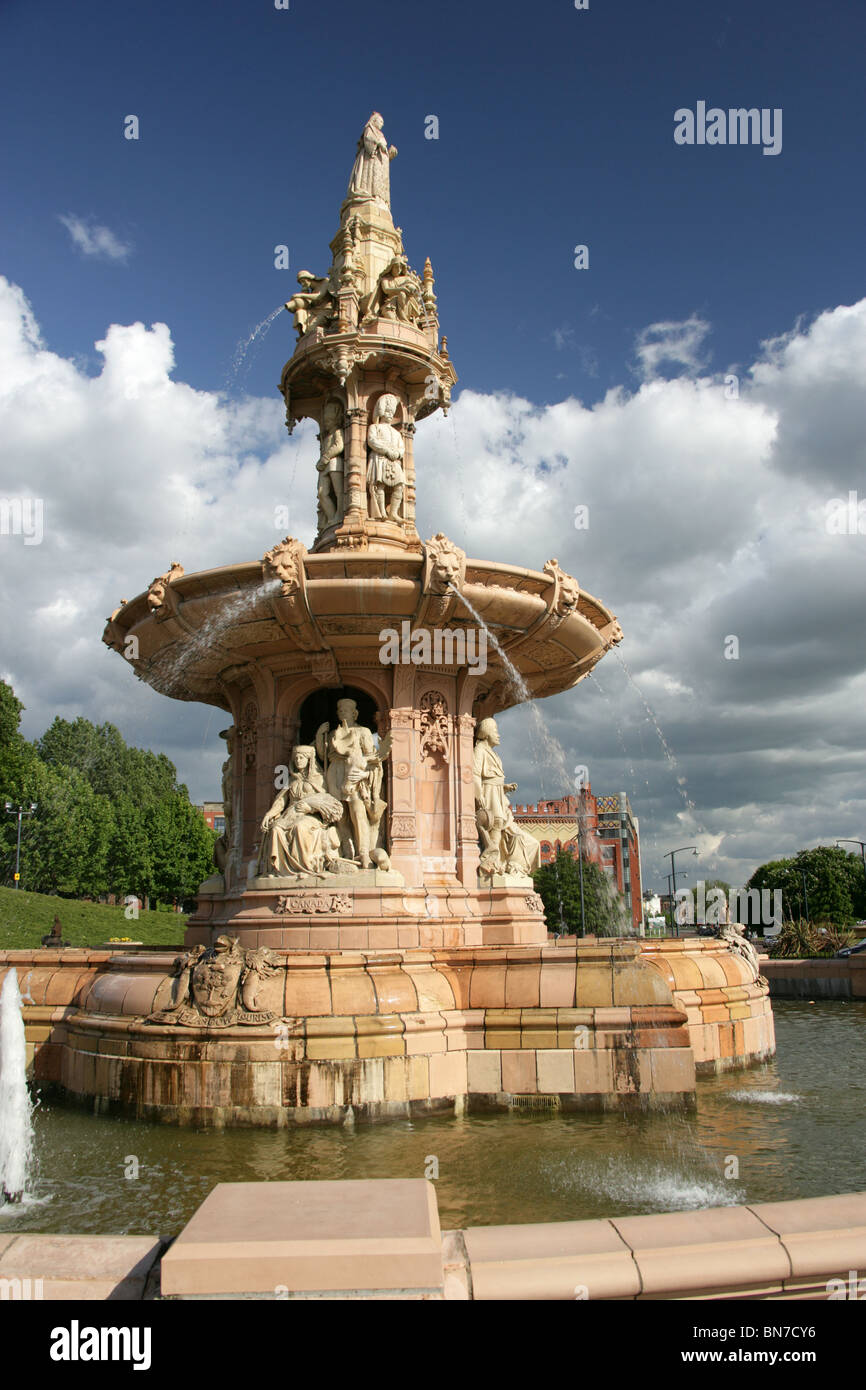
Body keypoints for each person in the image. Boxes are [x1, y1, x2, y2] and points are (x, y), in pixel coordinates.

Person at [316, 699, 391, 868]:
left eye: (346, 710)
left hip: (354, 773)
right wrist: (320, 736)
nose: (342, 712)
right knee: (339, 815)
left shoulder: (363, 731)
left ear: (354, 713)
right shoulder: (333, 733)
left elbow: (373, 758)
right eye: (340, 710)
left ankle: (363, 852)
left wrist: (365, 774)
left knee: (358, 812)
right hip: (334, 773)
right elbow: (323, 756)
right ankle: (347, 853)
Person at [256, 745, 343, 877]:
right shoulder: (291, 780)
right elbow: (281, 801)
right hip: (290, 814)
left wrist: (310, 808)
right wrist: (269, 814)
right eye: (296, 757)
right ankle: (279, 869)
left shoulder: (319, 778)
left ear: (309, 760)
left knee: (299, 827)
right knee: (275, 829)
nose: (298, 760)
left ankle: (305, 867)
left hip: (311, 816)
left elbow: (327, 800)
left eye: (301, 757)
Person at [473, 717, 541, 877]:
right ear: (487, 732)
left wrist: (505, 787)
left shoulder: (492, 753)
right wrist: (479, 794)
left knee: (498, 826)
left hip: (497, 794)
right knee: (495, 826)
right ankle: (491, 864)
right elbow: (475, 774)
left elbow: (492, 778)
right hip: (489, 795)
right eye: (495, 731)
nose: (499, 735)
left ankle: (496, 863)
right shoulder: (480, 750)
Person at [366, 394, 404, 520]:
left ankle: (393, 513)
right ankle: (381, 512)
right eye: (387, 412)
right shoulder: (374, 427)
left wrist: (398, 453)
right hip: (380, 459)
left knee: (400, 486)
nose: (390, 415)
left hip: (394, 461)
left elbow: (402, 447)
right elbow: (372, 441)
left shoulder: (396, 433)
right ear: (381, 412)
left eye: (392, 412)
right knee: (379, 485)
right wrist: (387, 450)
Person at [347, 112, 397, 206]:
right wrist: (378, 143)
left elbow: (383, 155)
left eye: (383, 122)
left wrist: (389, 154)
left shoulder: (381, 135)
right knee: (369, 179)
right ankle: (370, 197)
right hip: (369, 160)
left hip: (379, 166)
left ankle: (379, 200)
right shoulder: (370, 129)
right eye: (380, 121)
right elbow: (368, 140)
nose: (382, 124)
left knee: (378, 183)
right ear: (374, 120)